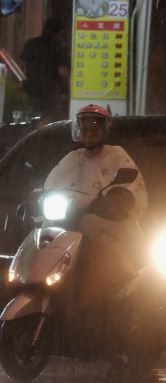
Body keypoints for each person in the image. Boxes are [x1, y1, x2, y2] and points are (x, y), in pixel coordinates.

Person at [44, 104, 148, 339]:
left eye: (94, 128)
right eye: (84, 128)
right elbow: (51, 185)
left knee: (97, 239)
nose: (89, 133)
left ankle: (106, 305)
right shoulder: (72, 158)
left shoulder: (117, 155)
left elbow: (133, 187)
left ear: (104, 130)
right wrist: (37, 195)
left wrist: (119, 200)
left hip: (109, 225)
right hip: (71, 224)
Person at [20, 17, 70, 124]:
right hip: (50, 95)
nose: (63, 39)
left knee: (30, 121)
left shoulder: (31, 44)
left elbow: (22, 67)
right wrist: (70, 91)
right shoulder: (57, 49)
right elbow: (63, 73)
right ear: (55, 34)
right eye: (62, 35)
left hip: (30, 92)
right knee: (47, 122)